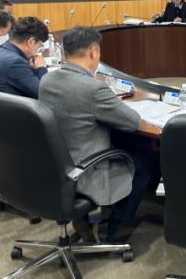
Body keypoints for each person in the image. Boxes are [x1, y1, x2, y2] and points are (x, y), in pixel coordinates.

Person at [39, 27, 158, 242]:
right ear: (93, 52)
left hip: (56, 165)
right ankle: (112, 230)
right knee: (147, 162)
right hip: (87, 170)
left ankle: (85, 219)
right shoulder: (94, 89)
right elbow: (132, 122)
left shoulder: (47, 80)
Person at [0, 17, 49, 98]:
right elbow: (43, 93)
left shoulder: (3, 50)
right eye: (39, 45)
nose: (38, 49)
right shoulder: (14, 62)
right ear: (31, 42)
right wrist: (41, 67)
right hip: (12, 106)